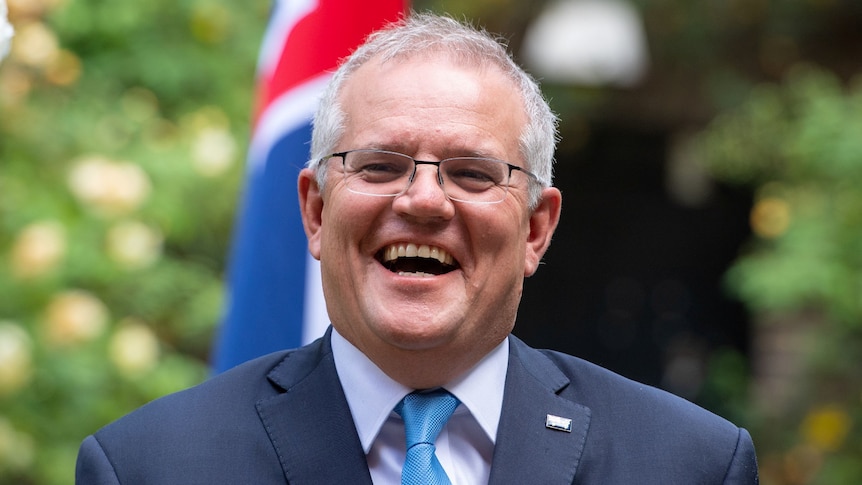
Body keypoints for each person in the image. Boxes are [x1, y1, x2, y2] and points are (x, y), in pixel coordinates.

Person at [76, 13, 759, 484]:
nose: (424, 201)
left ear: (535, 229)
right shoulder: (150, 465)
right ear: (315, 210)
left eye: (472, 173)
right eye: (378, 165)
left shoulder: (687, 462)